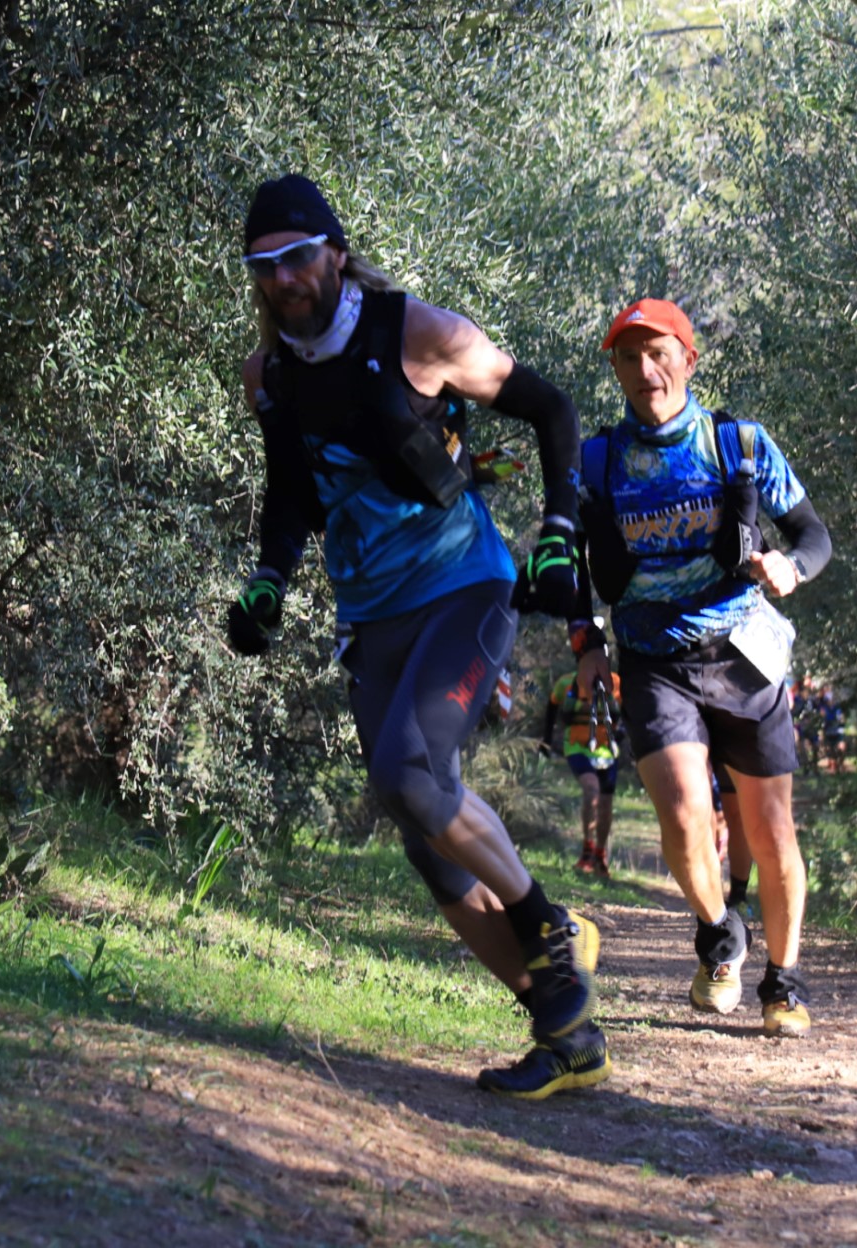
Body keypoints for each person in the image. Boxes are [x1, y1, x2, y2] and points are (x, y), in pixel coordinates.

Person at [224, 174, 606, 1097]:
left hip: (463, 587)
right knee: (427, 841)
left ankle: (548, 924)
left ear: (336, 254)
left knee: (406, 774)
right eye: (263, 267)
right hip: (370, 613)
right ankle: (567, 1034)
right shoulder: (268, 375)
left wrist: (559, 530)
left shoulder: (418, 335)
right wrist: (270, 577)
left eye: (297, 258)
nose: (283, 280)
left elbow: (552, 410)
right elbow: (291, 491)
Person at [571, 298, 832, 1036]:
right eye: (629, 357)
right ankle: (721, 935)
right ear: (616, 370)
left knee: (772, 830)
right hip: (652, 660)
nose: (645, 370)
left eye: (659, 354)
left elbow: (813, 535)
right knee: (685, 813)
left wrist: (790, 567)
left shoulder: (738, 445)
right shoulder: (595, 461)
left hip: (743, 654)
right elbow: (568, 562)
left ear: (688, 359)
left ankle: (783, 984)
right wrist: (585, 643)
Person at [539, 665, 622, 875]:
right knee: (591, 790)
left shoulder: (615, 682)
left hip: (607, 750)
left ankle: (599, 854)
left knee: (605, 803)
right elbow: (552, 707)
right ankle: (587, 849)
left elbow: (626, 713)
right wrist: (546, 740)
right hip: (576, 746)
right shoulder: (566, 683)